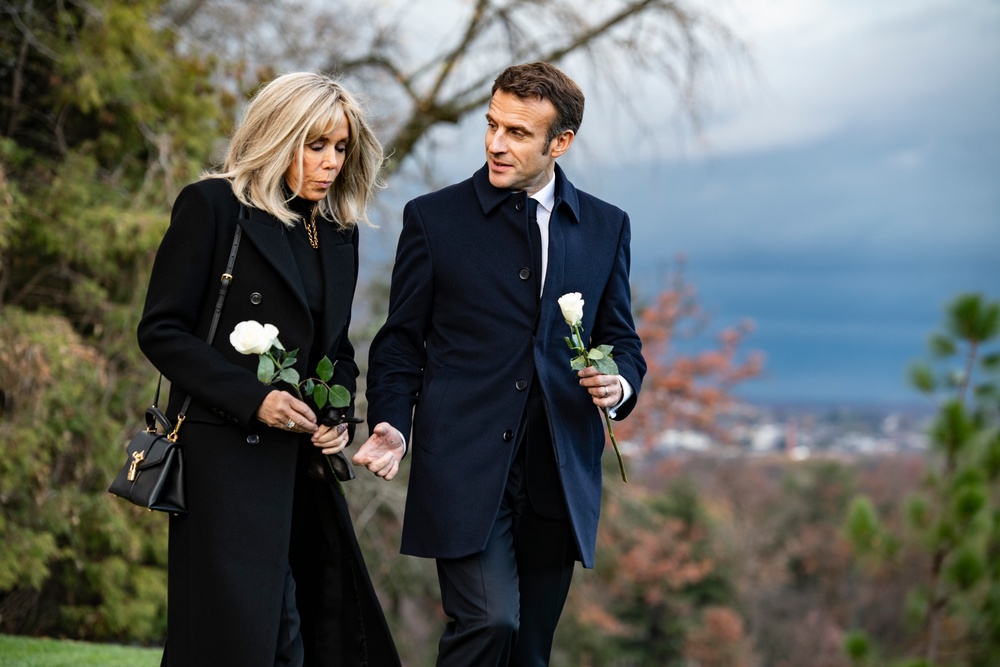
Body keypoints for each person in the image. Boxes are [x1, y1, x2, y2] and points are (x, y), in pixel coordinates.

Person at [354, 61, 647, 665]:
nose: (495, 143)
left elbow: (621, 338)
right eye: (492, 125)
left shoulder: (605, 226)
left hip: (559, 472)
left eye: (517, 132)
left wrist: (617, 384)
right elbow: (400, 341)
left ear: (559, 142)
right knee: (489, 623)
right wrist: (391, 419)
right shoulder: (434, 220)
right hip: (463, 465)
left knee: (530, 651)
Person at [137, 72, 400, 667]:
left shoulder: (337, 232)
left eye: (341, 149)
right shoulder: (212, 208)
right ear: (278, 136)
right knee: (246, 635)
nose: (331, 163)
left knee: (309, 630)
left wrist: (337, 417)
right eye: (316, 145)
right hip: (222, 461)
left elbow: (336, 351)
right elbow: (161, 331)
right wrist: (251, 399)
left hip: (300, 468)